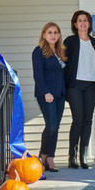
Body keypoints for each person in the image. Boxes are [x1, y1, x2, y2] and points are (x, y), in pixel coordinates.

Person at [64, 10, 95, 169]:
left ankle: (83, 156)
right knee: (78, 120)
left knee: (88, 121)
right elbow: (62, 63)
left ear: (89, 23)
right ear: (75, 24)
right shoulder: (70, 41)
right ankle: (72, 156)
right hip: (75, 85)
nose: (83, 23)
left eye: (85, 20)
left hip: (91, 86)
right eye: (79, 20)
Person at [32, 22, 67, 172]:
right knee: (51, 125)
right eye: (50, 32)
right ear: (44, 35)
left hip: (60, 94)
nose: (53, 35)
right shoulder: (38, 51)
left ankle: (49, 157)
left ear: (59, 35)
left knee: (56, 127)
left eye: (55, 32)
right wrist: (46, 92)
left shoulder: (61, 52)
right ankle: (45, 157)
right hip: (46, 94)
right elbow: (38, 75)